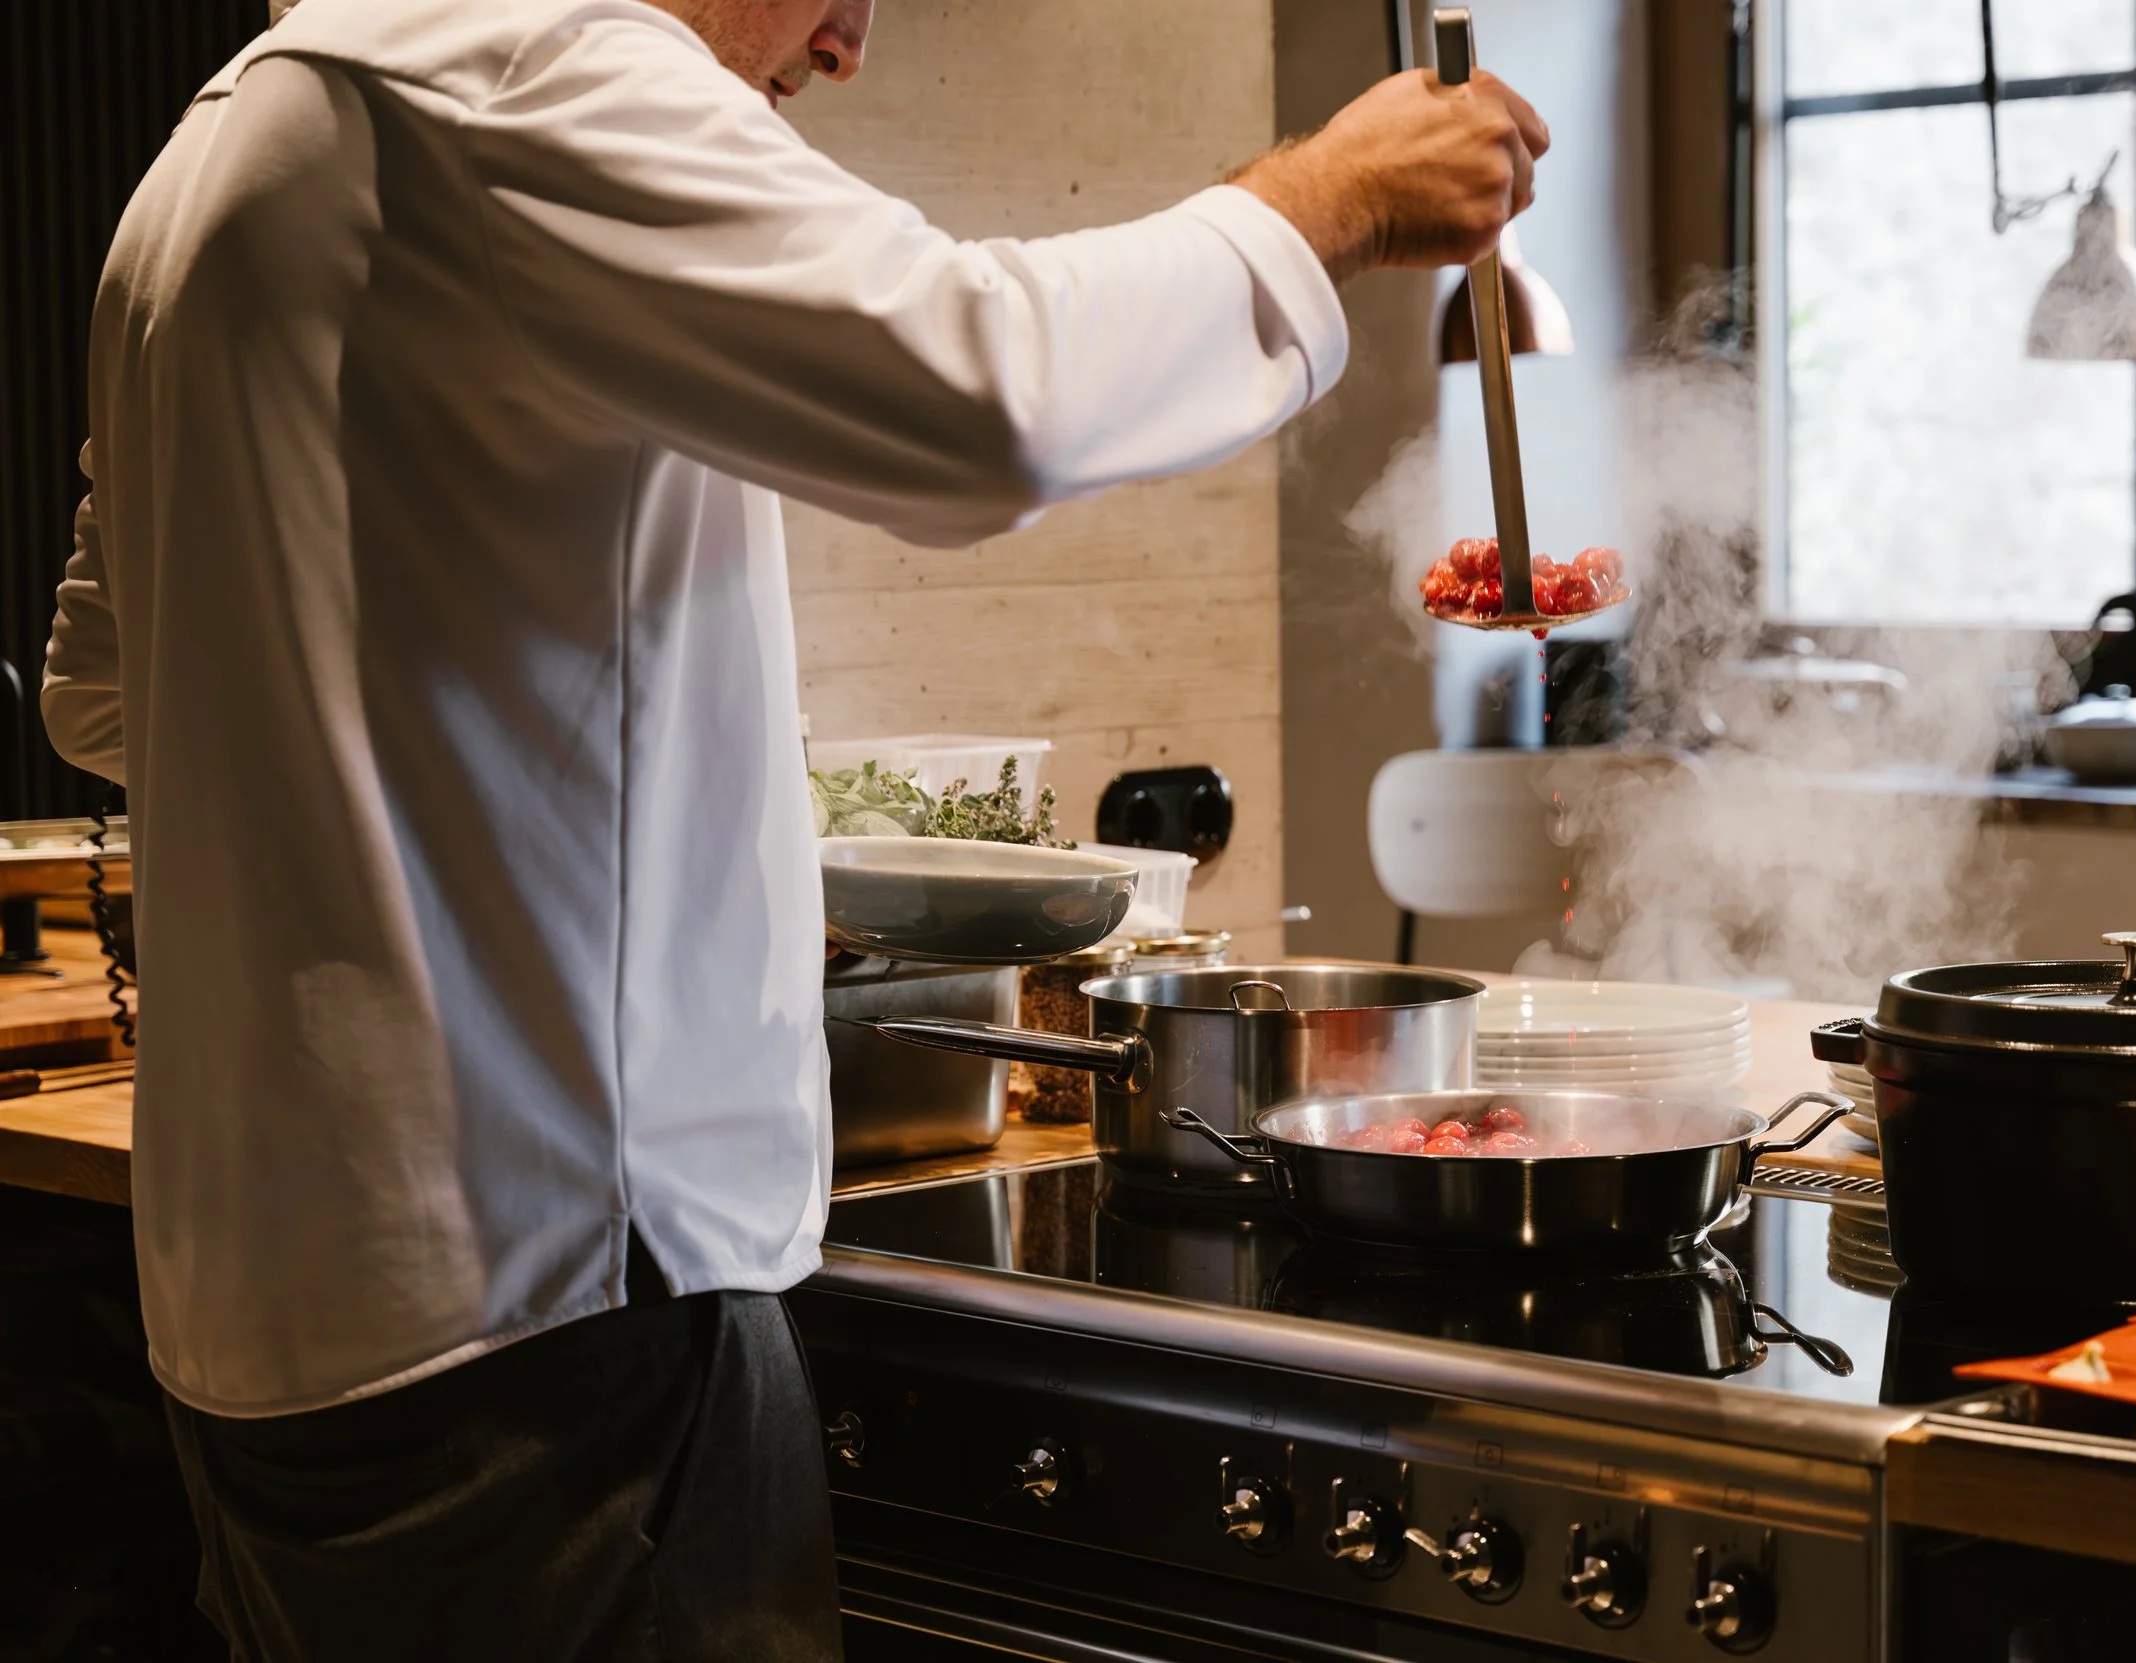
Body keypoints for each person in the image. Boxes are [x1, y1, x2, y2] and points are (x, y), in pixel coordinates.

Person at [38, 0, 1546, 1657]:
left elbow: (103, 695)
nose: (847, 42)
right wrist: (1327, 199)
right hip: (554, 1311)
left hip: (267, 1321)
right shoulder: (535, 64)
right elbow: (987, 391)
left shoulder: (217, 149)